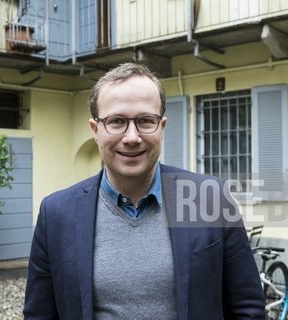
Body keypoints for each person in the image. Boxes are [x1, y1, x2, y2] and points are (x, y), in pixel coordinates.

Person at [23, 63, 265, 319]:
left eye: (145, 121)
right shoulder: (57, 214)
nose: (131, 137)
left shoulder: (209, 198)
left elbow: (247, 307)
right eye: (116, 121)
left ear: (161, 126)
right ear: (96, 131)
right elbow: (39, 314)